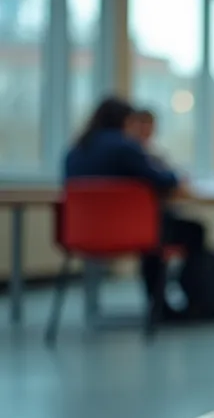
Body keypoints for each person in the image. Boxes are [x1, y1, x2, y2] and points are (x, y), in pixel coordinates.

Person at [64, 97, 206, 320]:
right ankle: (183, 304)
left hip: (82, 233)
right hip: (132, 232)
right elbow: (162, 180)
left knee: (159, 226)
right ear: (124, 121)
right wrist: (176, 175)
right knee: (190, 230)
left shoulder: (74, 152)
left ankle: (157, 304)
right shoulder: (126, 147)